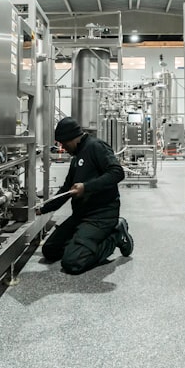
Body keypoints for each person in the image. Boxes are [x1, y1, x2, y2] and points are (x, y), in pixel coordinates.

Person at [37, 117, 132, 274]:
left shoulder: (96, 147)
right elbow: (67, 189)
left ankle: (115, 236)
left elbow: (117, 172)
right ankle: (81, 243)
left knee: (72, 263)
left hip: (101, 216)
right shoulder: (76, 156)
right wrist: (42, 209)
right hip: (81, 216)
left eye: (64, 143)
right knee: (50, 250)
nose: (63, 147)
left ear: (73, 138)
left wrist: (86, 187)